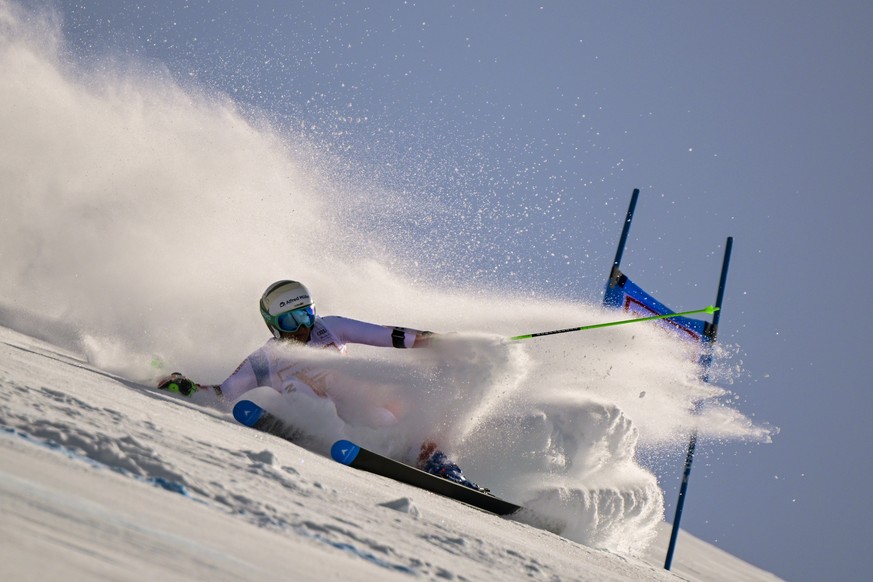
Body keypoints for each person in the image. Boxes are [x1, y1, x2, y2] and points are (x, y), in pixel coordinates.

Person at [158, 279, 483, 490]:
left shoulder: (332, 329)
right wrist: (187, 386)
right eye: (290, 321)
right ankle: (310, 426)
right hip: (318, 415)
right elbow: (223, 394)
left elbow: (391, 336)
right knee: (302, 394)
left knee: (409, 423)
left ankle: (443, 469)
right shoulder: (266, 358)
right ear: (274, 325)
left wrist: (437, 341)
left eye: (306, 315)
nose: (302, 328)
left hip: (366, 414)